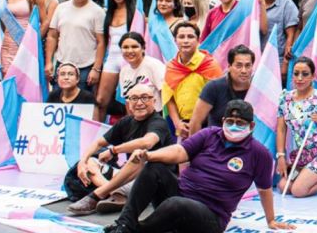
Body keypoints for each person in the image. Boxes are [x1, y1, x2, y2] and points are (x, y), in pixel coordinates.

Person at [104, 100, 294, 233]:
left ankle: (137, 230)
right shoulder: (209, 134)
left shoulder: (259, 154)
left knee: (177, 204)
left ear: (251, 126)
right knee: (154, 169)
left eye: (240, 123)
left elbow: (264, 189)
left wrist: (271, 219)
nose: (234, 126)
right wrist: (148, 155)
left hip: (210, 216)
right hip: (181, 193)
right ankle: (124, 225)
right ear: (223, 122)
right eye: (230, 122)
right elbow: (179, 152)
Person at [66, 82, 176, 216]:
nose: (139, 103)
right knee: (90, 162)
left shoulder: (159, 122)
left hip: (154, 180)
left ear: (154, 101)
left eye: (145, 98)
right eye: (134, 98)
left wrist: (113, 150)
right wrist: (82, 162)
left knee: (139, 156)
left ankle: (97, 195)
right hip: (128, 177)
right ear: (128, 103)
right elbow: (98, 143)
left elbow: (146, 142)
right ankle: (115, 194)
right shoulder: (126, 122)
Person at [274, 57, 317, 197]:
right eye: (296, 73)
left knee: (298, 191)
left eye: (305, 74)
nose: (300, 78)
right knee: (283, 186)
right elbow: (281, 129)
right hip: (304, 155)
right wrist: (281, 156)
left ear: (313, 76)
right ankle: (316, 176)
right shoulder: (285, 98)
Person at [46, 0, 107, 93]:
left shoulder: (98, 12)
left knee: (82, 102)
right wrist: (48, 62)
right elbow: (52, 36)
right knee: (58, 99)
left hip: (86, 67)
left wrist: (96, 69)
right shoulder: (61, 8)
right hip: (62, 64)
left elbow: (101, 42)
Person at [163, 22, 222, 140]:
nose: (186, 41)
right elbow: (169, 98)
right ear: (175, 40)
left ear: (198, 40)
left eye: (190, 37)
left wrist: (197, 124)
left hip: (207, 125)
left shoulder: (210, 65)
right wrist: (177, 123)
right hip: (181, 126)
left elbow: (219, 98)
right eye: (181, 37)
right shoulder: (171, 67)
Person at [0, 0, 54, 73]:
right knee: (7, 77)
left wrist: (34, 40)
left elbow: (45, 22)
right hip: (7, 45)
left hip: (27, 44)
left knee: (25, 78)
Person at [189, 45, 254, 135]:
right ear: (229, 67)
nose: (244, 70)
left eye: (248, 66)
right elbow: (196, 122)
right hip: (216, 141)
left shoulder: (257, 90)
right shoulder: (214, 87)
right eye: (239, 66)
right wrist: (195, 144)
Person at [99, 0, 136, 120]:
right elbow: (103, 41)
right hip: (111, 60)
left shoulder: (135, 13)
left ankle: (132, 133)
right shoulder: (108, 13)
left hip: (130, 61)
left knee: (130, 105)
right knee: (101, 101)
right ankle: (95, 132)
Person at [259, 0, 299, 75]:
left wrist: (285, 64)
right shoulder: (253, 3)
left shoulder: (287, 4)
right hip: (256, 60)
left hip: (277, 61)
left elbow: (291, 35)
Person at [118, 32, 166, 111]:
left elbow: (166, 95)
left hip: (157, 114)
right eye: (125, 47)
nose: (130, 51)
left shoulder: (154, 65)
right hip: (137, 116)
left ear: (143, 48)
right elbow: (128, 101)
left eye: (134, 47)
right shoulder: (124, 71)